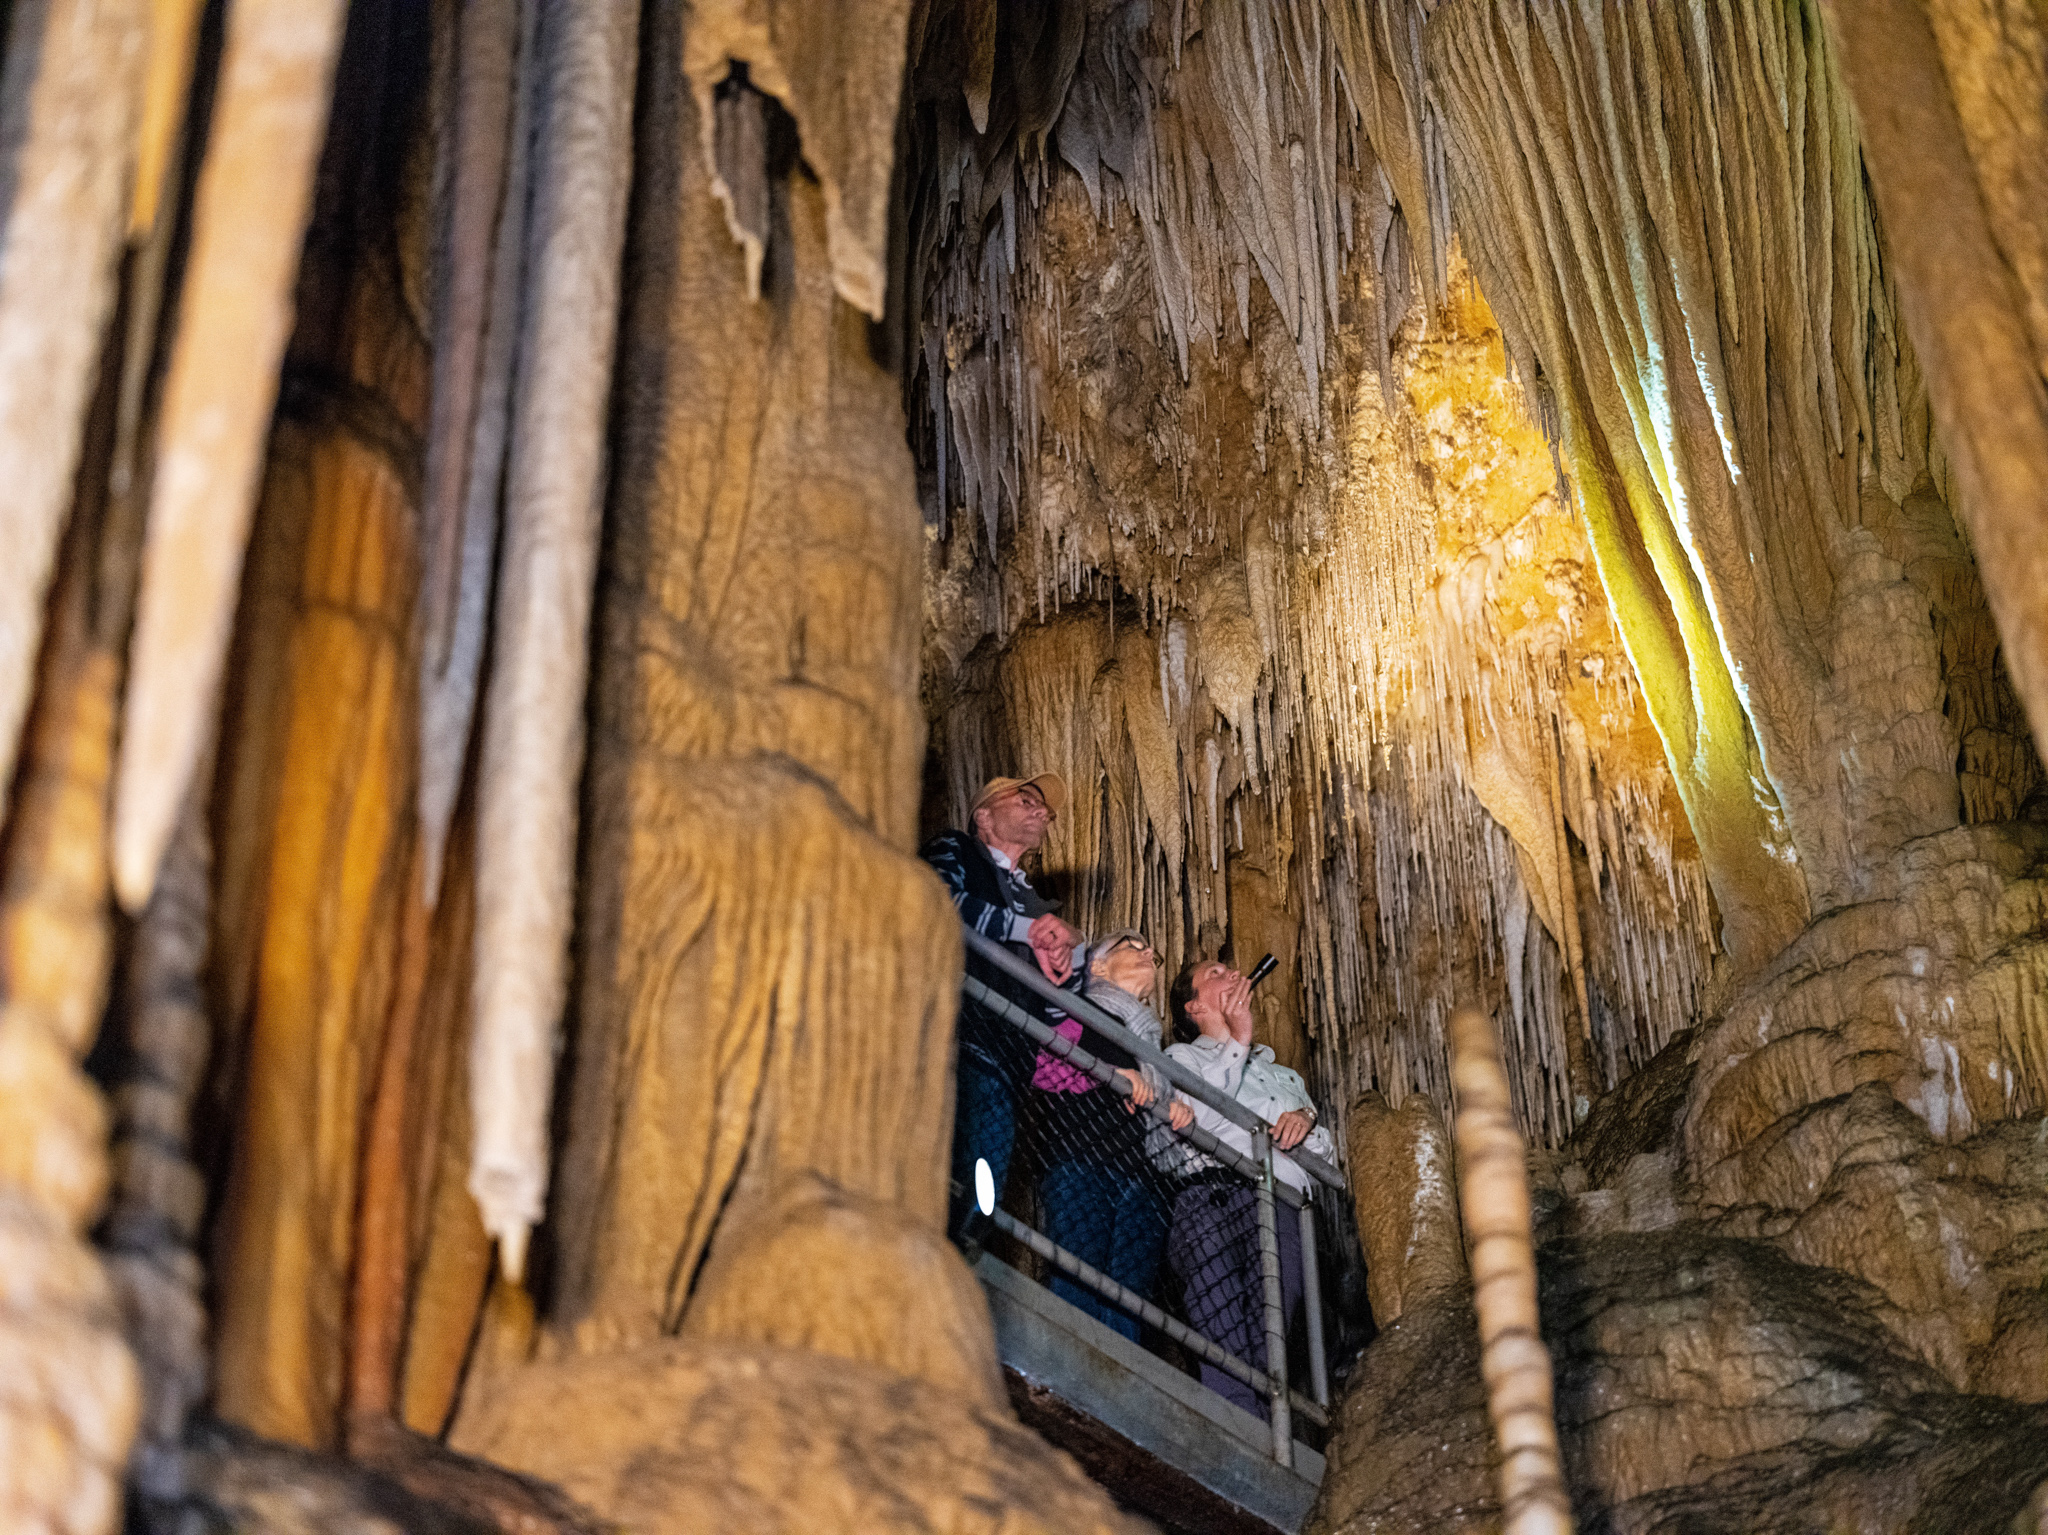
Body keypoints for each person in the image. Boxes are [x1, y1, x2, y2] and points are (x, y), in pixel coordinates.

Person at [1156, 955, 1336, 1416]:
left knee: (1270, 1334)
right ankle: (1238, 1434)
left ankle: (1267, 1434)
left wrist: (1305, 1119)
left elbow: (1327, 1161)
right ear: (1193, 1008)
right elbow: (1201, 1120)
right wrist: (1238, 1041)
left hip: (1284, 1204)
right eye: (1214, 975)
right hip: (1214, 1196)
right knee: (1220, 1327)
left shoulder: (1285, 1076)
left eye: (1231, 969)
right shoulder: (1182, 1057)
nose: (1232, 974)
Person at [921, 774, 1084, 1242]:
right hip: (953, 1038)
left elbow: (1052, 1014)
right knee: (939, 1171)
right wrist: (1025, 931)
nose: (1041, 813)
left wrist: (1062, 969)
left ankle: (960, 1266)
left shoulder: (1039, 907)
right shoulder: (956, 849)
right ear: (984, 816)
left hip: (1008, 1065)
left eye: (1045, 812)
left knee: (982, 1195)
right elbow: (932, 902)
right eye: (1027, 799)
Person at [1029, 930, 1194, 1340]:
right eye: (1132, 946)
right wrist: (1104, 1070)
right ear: (1097, 965)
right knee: (1076, 1275)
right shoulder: (1074, 1008)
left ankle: (1114, 1390)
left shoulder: (1153, 1050)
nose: (1148, 952)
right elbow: (1040, 1061)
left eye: (1150, 952)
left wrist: (1171, 1108)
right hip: (1082, 1159)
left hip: (1142, 1177)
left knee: (1128, 1297)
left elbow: (1151, 1099)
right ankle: (1062, 1382)